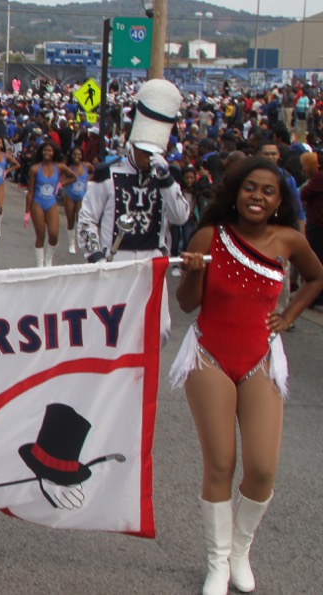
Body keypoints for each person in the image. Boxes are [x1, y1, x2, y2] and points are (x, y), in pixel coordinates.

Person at [169, 156, 323, 595]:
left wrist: (289, 315)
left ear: (279, 201)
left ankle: (240, 550)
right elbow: (186, 304)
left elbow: (315, 278)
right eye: (249, 188)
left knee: (262, 468)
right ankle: (217, 562)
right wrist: (195, 272)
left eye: (267, 191)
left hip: (260, 356)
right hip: (208, 356)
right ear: (235, 192)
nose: (257, 196)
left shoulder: (289, 240)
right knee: (220, 462)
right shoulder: (209, 235)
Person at [78, 79, 190, 264]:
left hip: (152, 267)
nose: (149, 158)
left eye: (155, 153)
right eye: (145, 152)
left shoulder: (166, 177)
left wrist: (166, 179)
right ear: (133, 146)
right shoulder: (108, 174)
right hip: (114, 266)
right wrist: (96, 256)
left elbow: (180, 217)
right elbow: (87, 219)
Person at [25, 142, 76, 267]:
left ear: (54, 153)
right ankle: (39, 265)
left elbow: (73, 177)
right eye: (45, 150)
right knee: (40, 235)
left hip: (51, 203)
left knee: (53, 235)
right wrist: (27, 211)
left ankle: (48, 259)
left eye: (50, 151)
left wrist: (61, 183)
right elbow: (30, 191)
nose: (47, 153)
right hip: (37, 202)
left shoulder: (59, 167)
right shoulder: (35, 168)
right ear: (42, 152)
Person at [62, 146, 92, 253]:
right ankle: (71, 244)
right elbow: (62, 179)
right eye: (75, 154)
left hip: (81, 196)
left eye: (79, 154)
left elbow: (93, 171)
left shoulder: (86, 166)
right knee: (70, 220)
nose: (77, 156)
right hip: (70, 195)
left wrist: (88, 179)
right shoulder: (68, 168)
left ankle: (83, 241)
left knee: (80, 219)